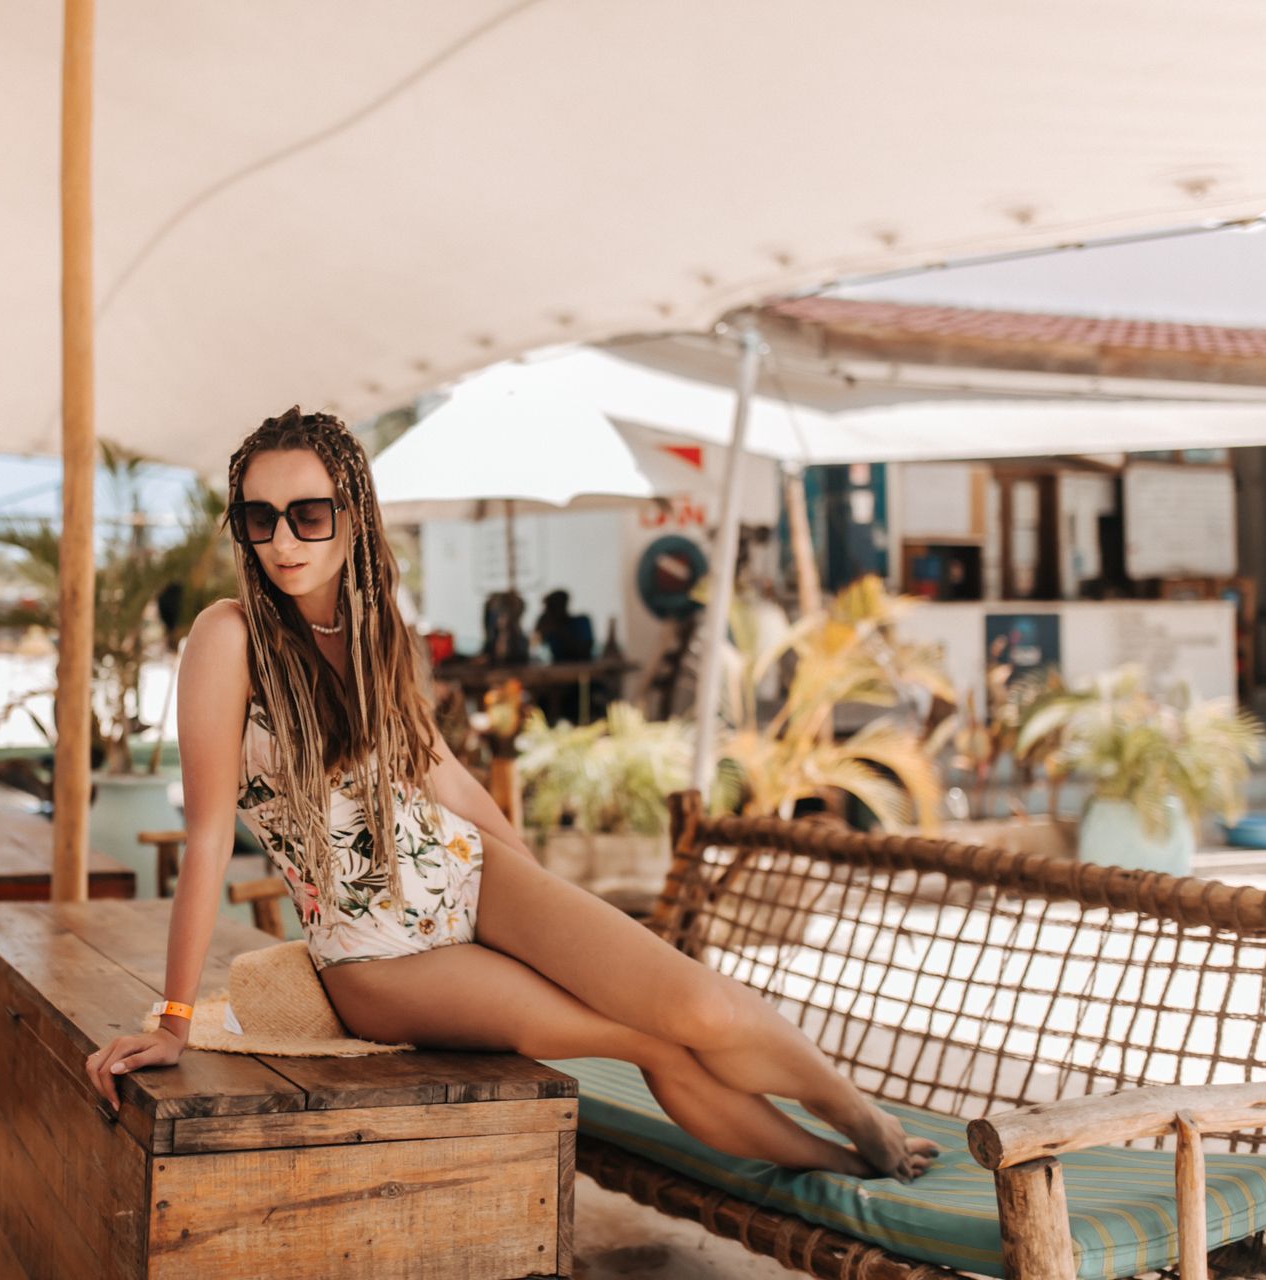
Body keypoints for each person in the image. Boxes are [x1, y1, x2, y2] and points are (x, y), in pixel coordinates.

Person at [82, 406, 937, 1181]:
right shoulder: (227, 636)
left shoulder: (382, 626)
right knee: (649, 1045)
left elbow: (436, 768)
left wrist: (536, 884)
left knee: (698, 1002)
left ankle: (860, 1117)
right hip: (377, 954)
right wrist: (174, 1019)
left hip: (473, 876)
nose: (283, 539)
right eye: (259, 518)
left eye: (308, 513)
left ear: (353, 516)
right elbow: (202, 837)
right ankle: (843, 1170)